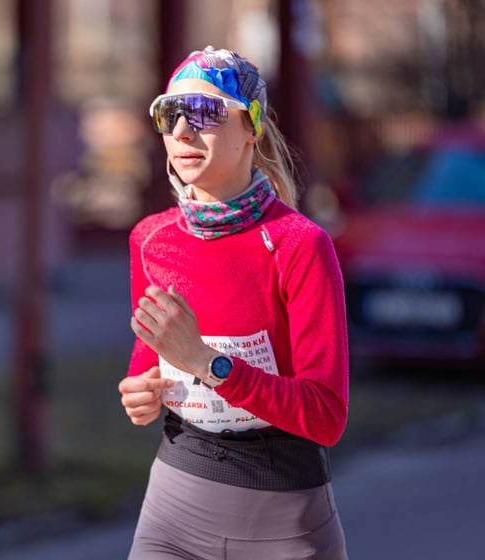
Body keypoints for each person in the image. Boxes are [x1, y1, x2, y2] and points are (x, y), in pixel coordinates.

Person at [117, 46, 350, 559]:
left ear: (253, 128)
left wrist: (206, 362)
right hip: (173, 510)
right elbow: (149, 362)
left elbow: (326, 416)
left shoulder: (299, 244)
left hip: (284, 525)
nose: (181, 132)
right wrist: (141, 393)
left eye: (203, 114)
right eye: (168, 113)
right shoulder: (150, 240)